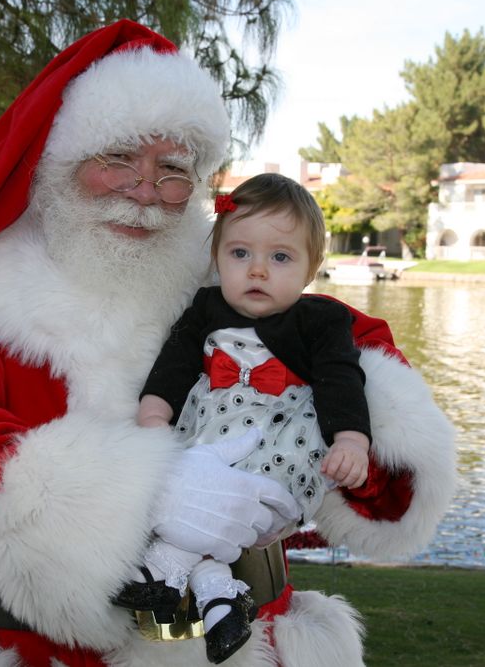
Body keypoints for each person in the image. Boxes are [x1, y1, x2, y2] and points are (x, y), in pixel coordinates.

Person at [0, 19, 457, 667]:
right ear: (58, 161)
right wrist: (146, 489)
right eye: (116, 158)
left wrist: (308, 459)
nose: (145, 190)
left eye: (171, 168)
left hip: (259, 643)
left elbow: (352, 364)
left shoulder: (227, 274)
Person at [121, 173, 373, 662]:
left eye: (279, 257)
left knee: (199, 513)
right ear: (217, 258)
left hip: (278, 445)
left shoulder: (319, 320)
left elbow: (342, 379)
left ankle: (162, 569)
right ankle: (222, 600)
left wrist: (351, 440)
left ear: (310, 267)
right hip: (209, 434)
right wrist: (154, 412)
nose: (257, 271)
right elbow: (173, 364)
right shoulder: (204, 308)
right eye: (240, 254)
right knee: (190, 495)